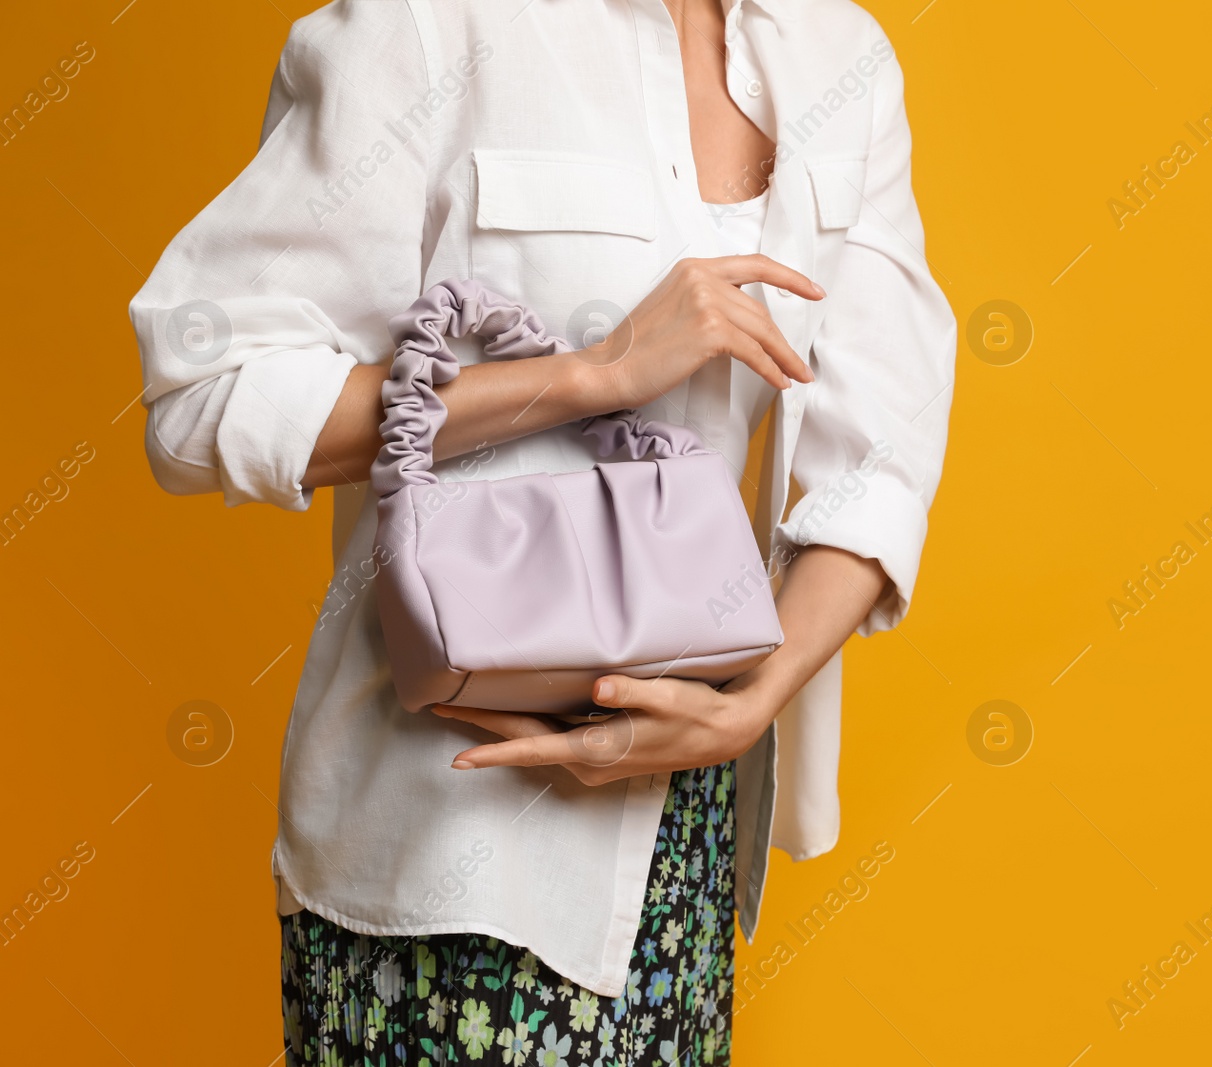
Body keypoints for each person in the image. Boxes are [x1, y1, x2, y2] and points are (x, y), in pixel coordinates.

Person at [128, 0, 954, 1062]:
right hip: (446, 843)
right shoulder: (428, 25)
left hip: (680, 828)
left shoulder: (840, 54)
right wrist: (587, 375)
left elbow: (877, 450)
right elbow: (203, 396)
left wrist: (752, 701)